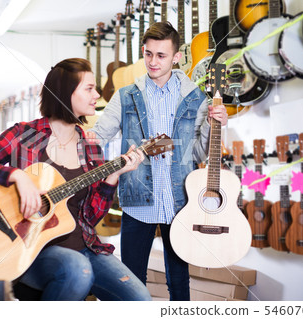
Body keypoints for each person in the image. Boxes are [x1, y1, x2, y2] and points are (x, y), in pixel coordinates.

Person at [0, 58, 151, 301]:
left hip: (85, 246)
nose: (97, 94)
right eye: (89, 88)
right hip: (30, 250)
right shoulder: (24, 135)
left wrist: (112, 176)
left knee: (140, 300)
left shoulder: (90, 148)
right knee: (76, 269)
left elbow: (90, 218)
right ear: (65, 93)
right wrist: (15, 175)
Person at [86, 22, 228, 301]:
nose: (152, 62)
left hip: (179, 202)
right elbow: (97, 138)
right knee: (131, 282)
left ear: (176, 57)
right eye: (148, 54)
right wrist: (80, 134)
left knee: (179, 282)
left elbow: (198, 154)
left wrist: (215, 125)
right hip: (137, 200)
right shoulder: (125, 96)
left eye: (161, 55)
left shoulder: (196, 97)